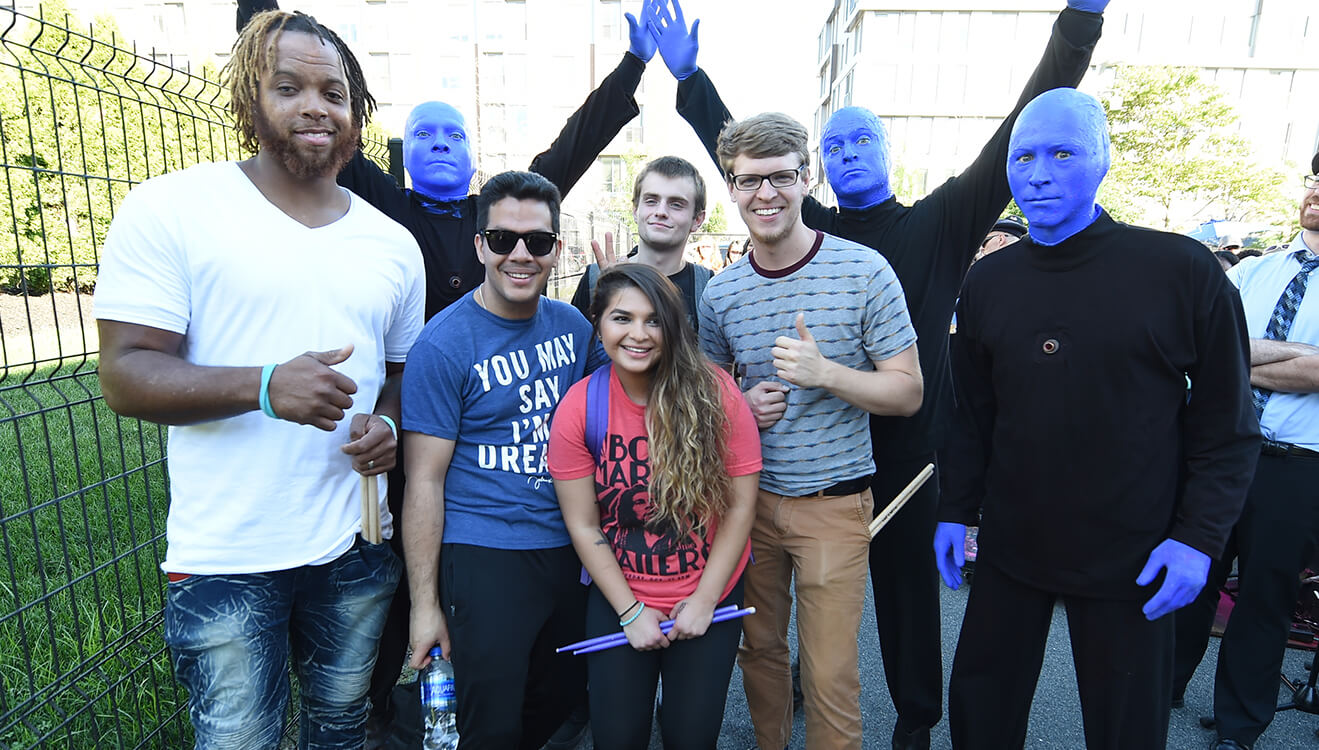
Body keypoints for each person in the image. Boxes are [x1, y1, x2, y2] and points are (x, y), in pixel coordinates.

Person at [650, 2, 1107, 743]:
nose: (851, 150)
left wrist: (1077, 25)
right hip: (798, 455)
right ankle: (793, 710)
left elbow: (1016, 129)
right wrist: (691, 80)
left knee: (904, 608)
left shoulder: (939, 220)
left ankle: (915, 724)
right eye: (837, 143)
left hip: (908, 454)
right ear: (817, 167)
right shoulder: (807, 228)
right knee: (793, 633)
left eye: (865, 138)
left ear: (886, 150)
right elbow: (750, 164)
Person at [236, 4, 659, 737]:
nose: (518, 251)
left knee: (546, 681)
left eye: (452, 134)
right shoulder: (383, 207)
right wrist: (262, 23)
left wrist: (631, 66)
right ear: (479, 241)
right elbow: (305, 129)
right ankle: (392, 704)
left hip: (536, 495)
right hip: (420, 431)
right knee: (420, 601)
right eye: (423, 132)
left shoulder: (518, 233)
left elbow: (566, 157)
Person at [94, 11, 425, 748]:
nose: (316, 106)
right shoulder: (173, 209)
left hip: (355, 545)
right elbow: (123, 373)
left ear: (355, 114)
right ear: (251, 100)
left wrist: (391, 426)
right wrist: (264, 385)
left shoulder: (393, 245)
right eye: (288, 86)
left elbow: (400, 375)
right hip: (228, 555)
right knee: (239, 739)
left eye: (334, 93)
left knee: (341, 726)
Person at [933, 88, 1259, 750]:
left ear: (1103, 160)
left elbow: (1226, 424)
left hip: (1134, 553)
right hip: (1011, 546)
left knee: (1125, 730)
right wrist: (953, 508)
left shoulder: (1179, 270)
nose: (1039, 172)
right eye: (1022, 156)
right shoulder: (988, 282)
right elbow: (970, 414)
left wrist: (1198, 538)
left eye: (1062, 152)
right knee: (979, 713)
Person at [699, 111, 922, 750]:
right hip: (747, 505)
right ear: (731, 187)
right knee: (760, 653)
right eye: (748, 181)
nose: (764, 194)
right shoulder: (722, 294)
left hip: (834, 503)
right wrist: (740, 403)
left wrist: (827, 373)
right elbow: (708, 404)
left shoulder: (865, 269)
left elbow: (908, 391)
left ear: (806, 177)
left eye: (780, 177)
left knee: (829, 675)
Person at [401, 170, 609, 750]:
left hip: (568, 543)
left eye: (537, 242)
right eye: (502, 240)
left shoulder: (572, 327)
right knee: (488, 721)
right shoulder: (443, 345)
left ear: (555, 250)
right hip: (486, 549)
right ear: (479, 246)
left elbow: (627, 399)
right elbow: (423, 481)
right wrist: (424, 607)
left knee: (565, 693)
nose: (520, 254)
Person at [548, 263, 761, 749]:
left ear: (674, 325)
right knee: (617, 738)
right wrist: (629, 611)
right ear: (597, 323)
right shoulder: (580, 407)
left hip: (706, 595)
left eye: (654, 320)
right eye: (621, 318)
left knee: (692, 736)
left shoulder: (717, 394)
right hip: (620, 596)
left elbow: (739, 510)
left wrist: (706, 600)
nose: (638, 334)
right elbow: (583, 525)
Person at [1208, 151, 1319, 750]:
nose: (1318, 190)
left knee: (1264, 598)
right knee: (1194, 574)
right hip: (1222, 451)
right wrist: (1297, 353)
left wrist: (1247, 355)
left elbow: (1313, 375)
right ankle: (1161, 683)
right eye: (1316, 177)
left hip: (1296, 467)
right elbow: (1210, 344)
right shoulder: (1255, 271)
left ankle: (1238, 726)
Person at [570, 156, 715, 332]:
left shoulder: (708, 288)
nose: (660, 212)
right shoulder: (595, 279)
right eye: (651, 201)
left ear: (698, 219)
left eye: (676, 204)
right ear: (635, 210)